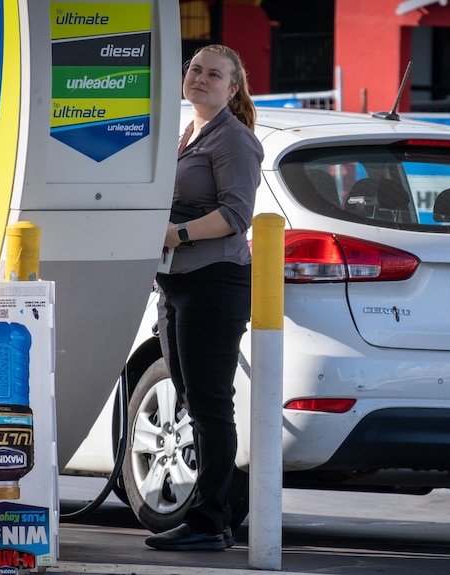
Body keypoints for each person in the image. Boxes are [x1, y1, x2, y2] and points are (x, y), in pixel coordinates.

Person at [145, 45, 263, 551]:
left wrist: (179, 235)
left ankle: (210, 522)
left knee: (212, 405)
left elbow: (236, 215)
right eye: (195, 69)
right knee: (192, 399)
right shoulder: (188, 133)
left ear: (232, 89)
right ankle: (218, 513)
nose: (200, 78)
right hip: (177, 284)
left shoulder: (234, 141)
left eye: (214, 75)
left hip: (215, 282)